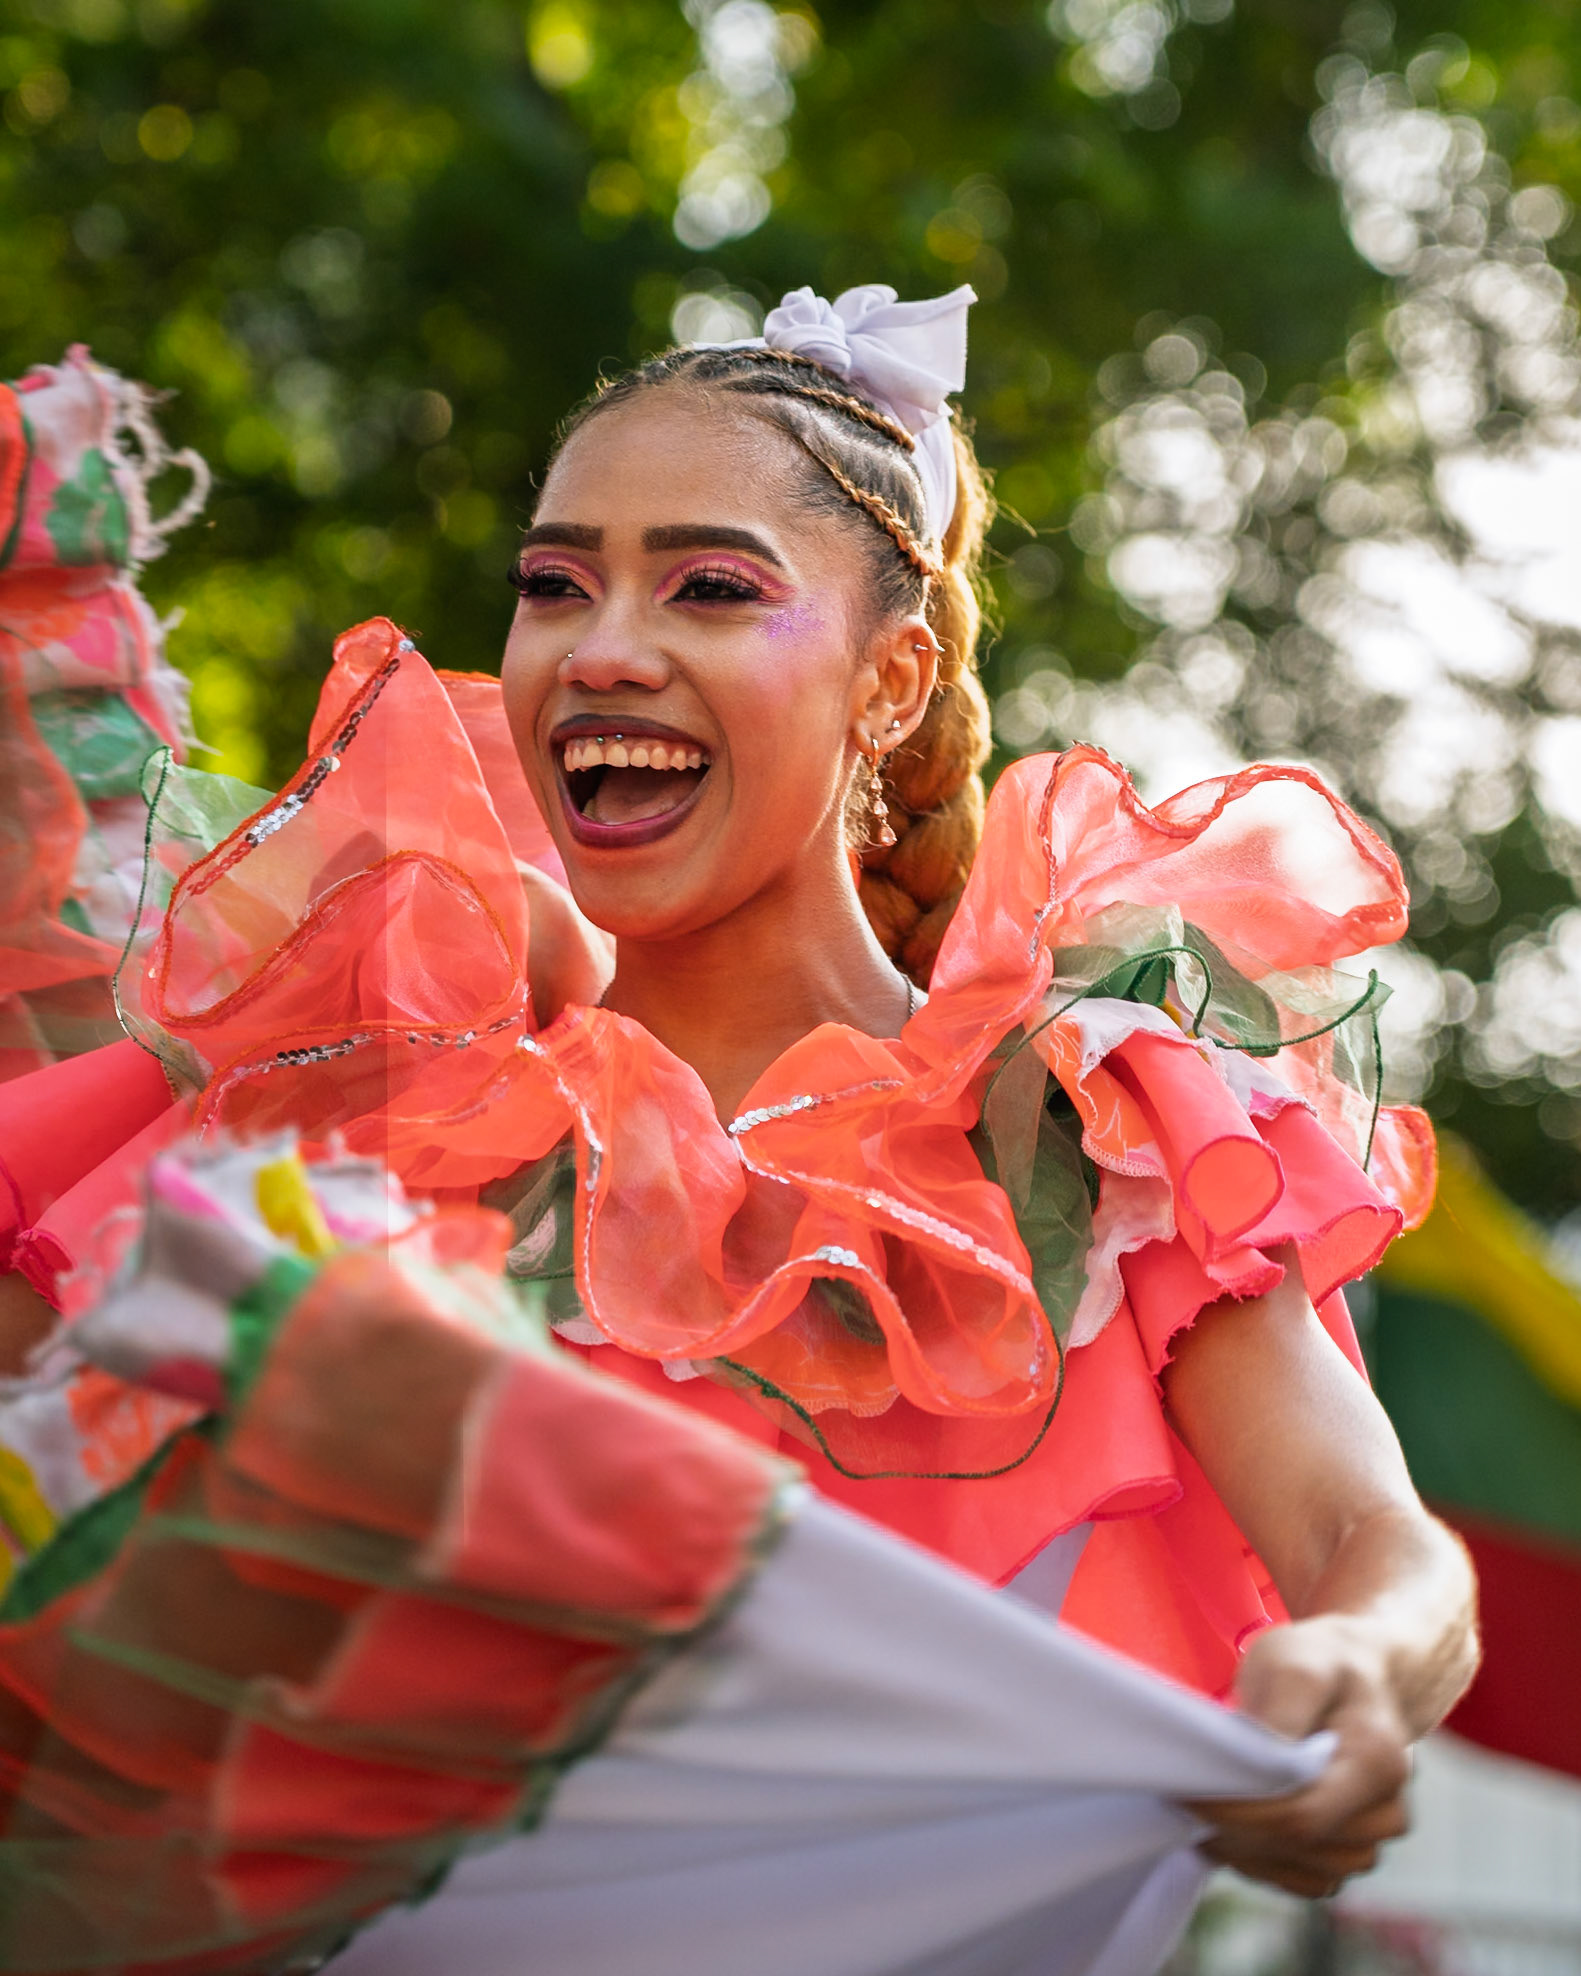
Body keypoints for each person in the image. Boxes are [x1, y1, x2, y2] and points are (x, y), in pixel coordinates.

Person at [0, 286, 1476, 1920]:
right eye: (554, 585)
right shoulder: (385, 1086)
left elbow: (1378, 1546)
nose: (601, 649)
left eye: (709, 587)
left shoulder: (1082, 1127)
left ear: (893, 680)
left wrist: (1353, 1665)